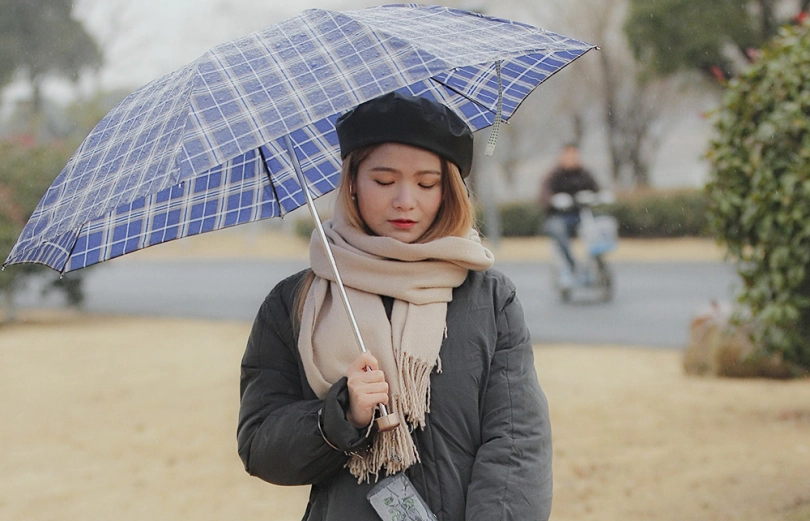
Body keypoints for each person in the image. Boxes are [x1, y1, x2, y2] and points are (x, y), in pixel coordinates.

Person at [237, 91, 552, 520]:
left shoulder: (489, 298)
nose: (405, 200)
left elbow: (516, 443)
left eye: (426, 183)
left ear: (449, 190)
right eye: (384, 181)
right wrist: (340, 415)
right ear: (351, 182)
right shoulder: (295, 302)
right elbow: (260, 446)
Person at [538, 143, 600, 286]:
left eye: (575, 155)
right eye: (569, 155)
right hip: (557, 216)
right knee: (559, 232)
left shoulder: (584, 174)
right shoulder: (553, 175)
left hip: (581, 215)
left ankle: (596, 263)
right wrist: (553, 200)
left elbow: (597, 189)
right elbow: (544, 195)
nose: (572, 158)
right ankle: (570, 265)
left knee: (597, 227)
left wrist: (599, 196)